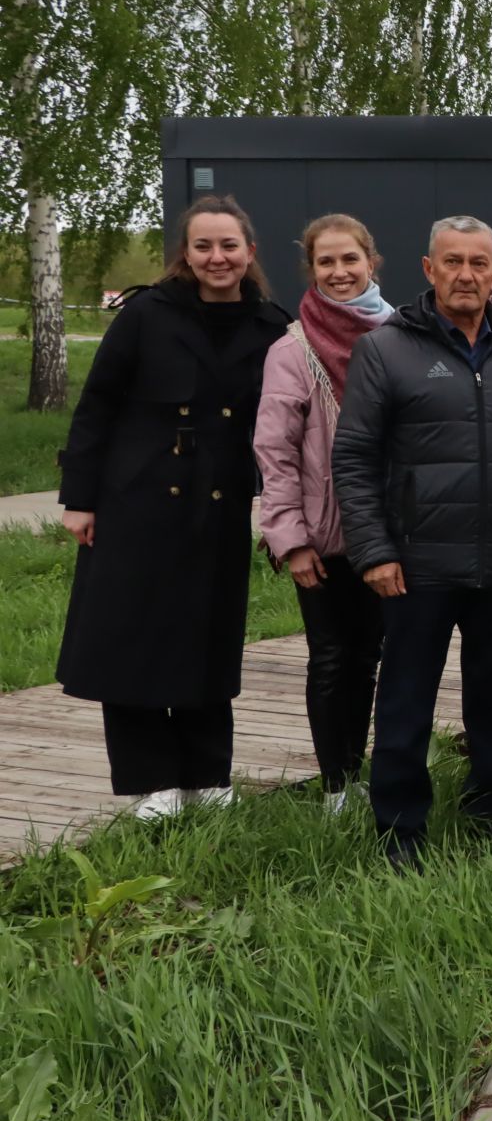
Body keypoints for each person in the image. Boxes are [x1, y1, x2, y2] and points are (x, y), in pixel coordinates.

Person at [332, 215, 492, 870]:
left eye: (480, 263)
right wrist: (374, 550)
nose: (467, 275)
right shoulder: (386, 349)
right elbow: (353, 456)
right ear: (429, 270)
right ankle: (400, 833)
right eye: (453, 262)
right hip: (415, 562)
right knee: (407, 697)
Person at [56, 195, 292, 819]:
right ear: (184, 254)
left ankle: (207, 774)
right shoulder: (147, 315)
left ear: (249, 252)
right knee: (133, 638)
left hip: (216, 507)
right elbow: (97, 407)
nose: (217, 258)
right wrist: (79, 499)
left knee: (208, 636)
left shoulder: (271, 324)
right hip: (134, 501)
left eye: (228, 246)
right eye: (203, 246)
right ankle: (148, 782)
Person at [254, 214, 393, 813]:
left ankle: (358, 771)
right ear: (311, 270)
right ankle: (336, 784)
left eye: (349, 260)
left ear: (371, 262)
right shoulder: (293, 348)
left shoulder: (400, 334)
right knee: (332, 658)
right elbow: (275, 451)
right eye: (325, 262)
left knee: (369, 657)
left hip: (387, 531)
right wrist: (290, 538)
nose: (339, 272)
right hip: (324, 537)